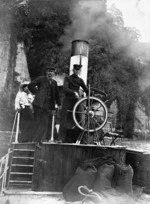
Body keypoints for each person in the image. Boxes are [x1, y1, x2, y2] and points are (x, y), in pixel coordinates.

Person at [28, 67, 61, 147]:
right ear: (46, 72)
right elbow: (30, 85)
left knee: (45, 123)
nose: (50, 73)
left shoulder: (54, 83)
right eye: (49, 71)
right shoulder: (41, 79)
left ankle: (37, 140)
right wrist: (37, 93)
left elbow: (56, 95)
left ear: (54, 73)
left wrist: (59, 104)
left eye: (52, 72)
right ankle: (35, 141)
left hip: (47, 106)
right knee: (39, 122)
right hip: (38, 104)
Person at [58, 64, 89, 143]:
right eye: (75, 70)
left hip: (76, 102)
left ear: (79, 71)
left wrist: (92, 95)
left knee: (79, 120)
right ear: (73, 70)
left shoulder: (80, 80)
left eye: (78, 70)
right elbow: (65, 88)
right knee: (64, 120)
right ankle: (61, 139)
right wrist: (74, 92)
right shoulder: (67, 78)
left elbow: (86, 90)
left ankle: (81, 140)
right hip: (68, 101)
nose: (76, 71)